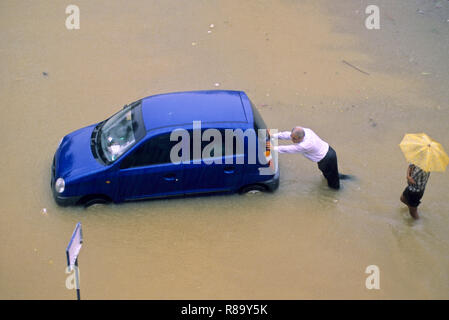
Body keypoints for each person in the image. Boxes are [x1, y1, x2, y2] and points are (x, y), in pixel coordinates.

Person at [272, 127, 345, 190]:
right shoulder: (304, 131)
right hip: (326, 153)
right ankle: (342, 177)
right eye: (292, 137)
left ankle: (335, 194)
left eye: (294, 139)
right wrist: (273, 135)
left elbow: (288, 149)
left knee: (333, 185)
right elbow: (288, 134)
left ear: (301, 138)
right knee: (329, 174)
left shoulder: (305, 145)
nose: (292, 139)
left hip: (327, 158)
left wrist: (272, 148)